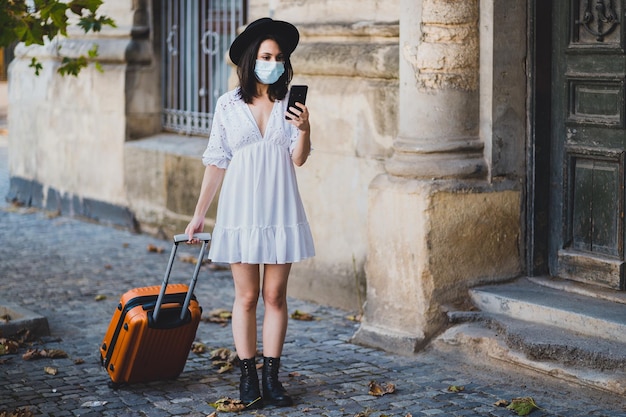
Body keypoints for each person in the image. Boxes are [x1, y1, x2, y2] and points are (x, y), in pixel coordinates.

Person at [184, 17, 315, 409]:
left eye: (278, 57)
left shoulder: (289, 102)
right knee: (247, 296)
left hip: (280, 207)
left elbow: (298, 159)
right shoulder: (228, 105)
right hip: (240, 210)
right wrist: (199, 215)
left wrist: (306, 129)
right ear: (250, 59)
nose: (272, 62)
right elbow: (216, 162)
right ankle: (248, 377)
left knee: (275, 295)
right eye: (265, 55)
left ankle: (272, 378)